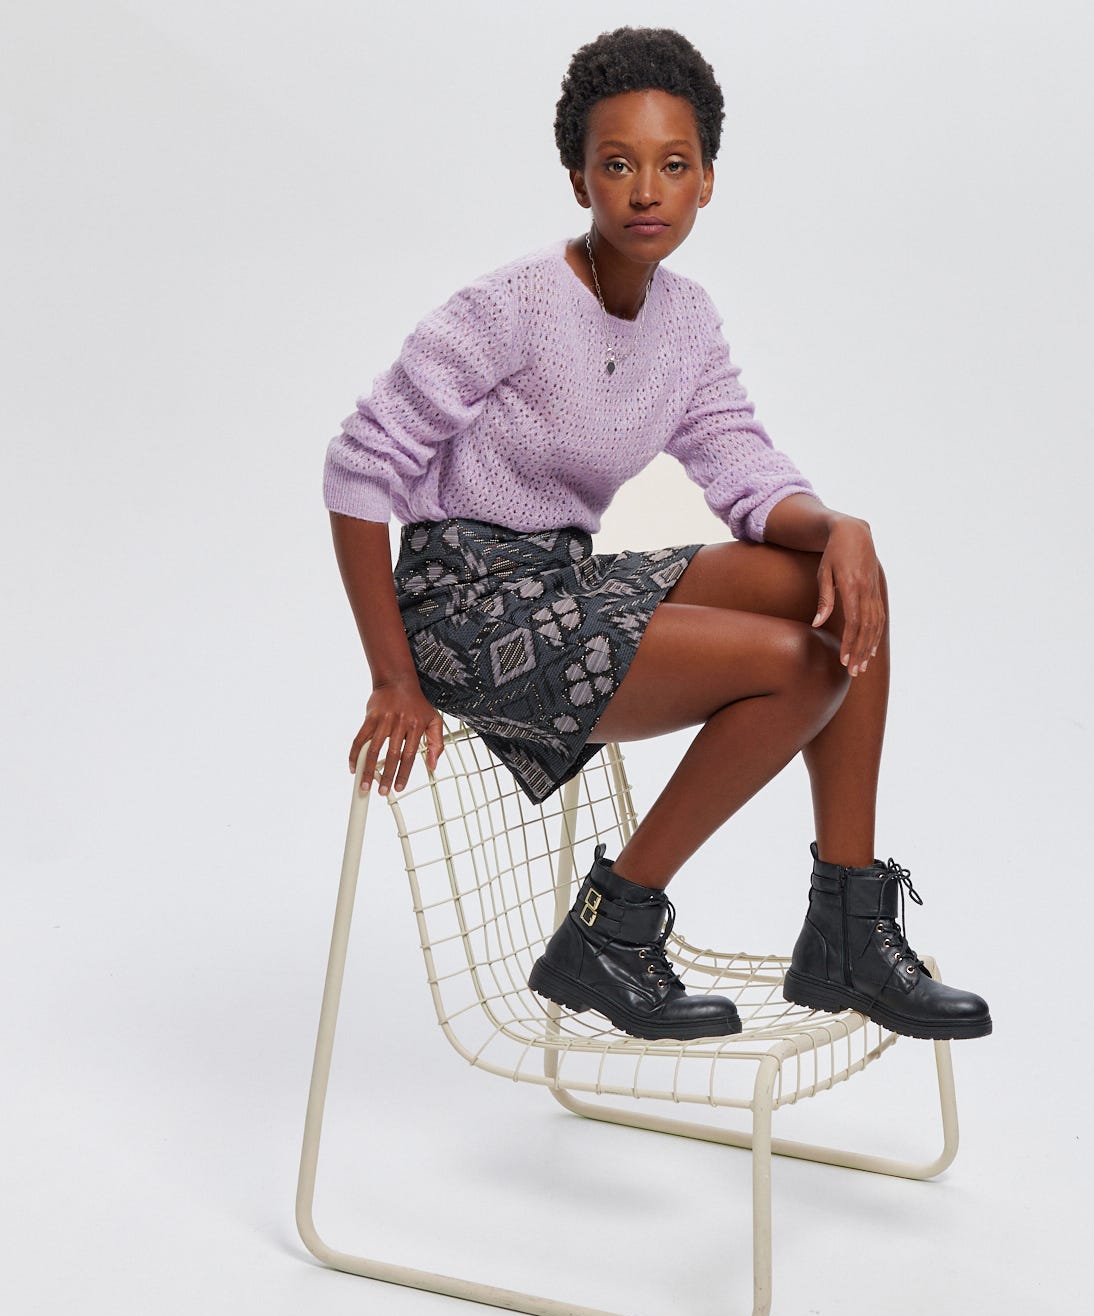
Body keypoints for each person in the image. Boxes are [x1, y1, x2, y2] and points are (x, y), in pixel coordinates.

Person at [323, 26, 992, 1045]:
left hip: (561, 581)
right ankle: (613, 925)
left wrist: (841, 526)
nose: (646, 191)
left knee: (837, 581)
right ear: (578, 178)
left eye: (673, 165)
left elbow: (745, 469)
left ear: (706, 180)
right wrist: (391, 676)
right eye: (618, 164)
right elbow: (357, 467)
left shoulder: (685, 321)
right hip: (463, 606)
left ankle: (847, 929)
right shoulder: (512, 304)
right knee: (802, 665)